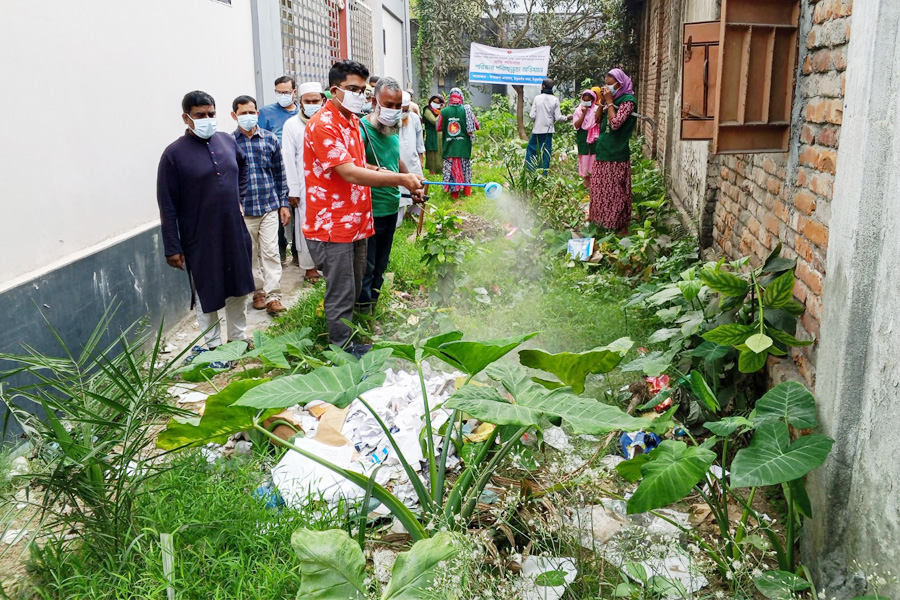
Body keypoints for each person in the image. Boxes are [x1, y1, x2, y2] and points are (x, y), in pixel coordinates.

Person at [303, 60, 424, 351]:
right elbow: (348, 173)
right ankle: (341, 351)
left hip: (358, 221)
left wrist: (392, 175)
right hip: (333, 226)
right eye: (353, 89)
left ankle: (354, 339)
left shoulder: (351, 123)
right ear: (335, 90)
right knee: (342, 292)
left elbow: (360, 165)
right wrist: (399, 179)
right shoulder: (324, 124)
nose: (360, 94)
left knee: (357, 287)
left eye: (363, 89)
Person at [157, 91, 254, 349]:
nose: (207, 119)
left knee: (238, 287)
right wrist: (172, 247)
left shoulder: (226, 141)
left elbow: (242, 167)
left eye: (211, 114)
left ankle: (238, 339)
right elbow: (167, 205)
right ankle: (213, 347)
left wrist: (239, 198)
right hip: (199, 237)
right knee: (206, 291)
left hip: (234, 230)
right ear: (186, 118)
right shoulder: (173, 155)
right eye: (200, 115)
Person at [357, 78, 420, 315]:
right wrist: (396, 177)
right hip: (369, 210)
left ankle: (373, 307)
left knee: (381, 265)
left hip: (390, 207)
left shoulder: (391, 129)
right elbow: (355, 166)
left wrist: (412, 182)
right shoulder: (361, 130)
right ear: (375, 102)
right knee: (367, 266)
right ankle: (362, 316)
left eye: (397, 106)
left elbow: (396, 159)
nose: (393, 111)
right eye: (388, 104)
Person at [231, 95, 291, 315]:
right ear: (234, 115)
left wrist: (283, 203)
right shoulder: (229, 143)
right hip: (243, 210)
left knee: (271, 252)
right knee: (250, 253)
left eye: (251, 112)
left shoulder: (269, 139)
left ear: (258, 113)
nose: (248, 116)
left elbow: (279, 173)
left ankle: (274, 296)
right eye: (243, 113)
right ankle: (258, 292)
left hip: (268, 206)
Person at [282, 81, 326, 283]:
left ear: (322, 100)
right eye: (307, 101)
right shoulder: (291, 125)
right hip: (304, 185)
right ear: (300, 102)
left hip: (328, 184)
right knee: (306, 225)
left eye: (315, 100)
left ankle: (327, 265)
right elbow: (288, 159)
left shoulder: (328, 122)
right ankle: (309, 267)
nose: (311, 104)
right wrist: (293, 190)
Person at [590, 68, 638, 236]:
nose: (608, 87)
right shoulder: (613, 99)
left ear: (621, 83)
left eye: (611, 84)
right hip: (603, 151)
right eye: (606, 84)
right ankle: (603, 224)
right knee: (599, 190)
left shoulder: (628, 101)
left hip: (616, 154)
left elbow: (616, 123)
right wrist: (603, 101)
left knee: (616, 192)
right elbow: (596, 120)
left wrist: (610, 101)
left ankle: (619, 227)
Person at [259, 76, 301, 264]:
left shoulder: (302, 113)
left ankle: (299, 251)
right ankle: (281, 247)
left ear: (294, 92)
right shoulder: (266, 113)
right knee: (277, 211)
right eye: (279, 92)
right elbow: (261, 139)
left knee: (298, 210)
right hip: (276, 171)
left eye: (286, 92)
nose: (282, 95)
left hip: (298, 170)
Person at [438, 88, 479, 199]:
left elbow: (438, 127)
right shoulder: (467, 110)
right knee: (465, 170)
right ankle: (467, 193)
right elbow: (477, 126)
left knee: (452, 171)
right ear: (461, 97)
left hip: (449, 147)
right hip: (463, 148)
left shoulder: (444, 111)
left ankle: (454, 195)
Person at [526, 78, 571, 172]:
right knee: (545, 153)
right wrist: (567, 118)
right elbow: (558, 117)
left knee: (531, 151)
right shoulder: (555, 100)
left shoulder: (537, 98)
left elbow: (532, 116)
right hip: (548, 131)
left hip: (537, 130)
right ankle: (543, 173)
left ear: (543, 86)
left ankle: (529, 171)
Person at [397, 91, 426, 226]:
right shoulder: (391, 119)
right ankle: (399, 220)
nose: (404, 112)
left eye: (406, 109)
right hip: (397, 161)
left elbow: (419, 141)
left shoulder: (414, 118)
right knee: (399, 191)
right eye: (401, 109)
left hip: (413, 160)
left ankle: (412, 213)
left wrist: (421, 158)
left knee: (417, 187)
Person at [573, 88, 601, 190]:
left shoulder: (596, 110)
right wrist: (583, 113)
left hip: (595, 140)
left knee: (594, 162)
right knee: (584, 162)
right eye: (585, 99)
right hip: (583, 139)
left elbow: (599, 122)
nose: (587, 101)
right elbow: (576, 125)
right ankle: (585, 186)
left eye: (589, 99)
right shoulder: (578, 110)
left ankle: (594, 188)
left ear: (593, 100)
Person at [422, 95, 444, 174]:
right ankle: (432, 171)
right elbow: (435, 121)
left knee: (440, 152)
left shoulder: (440, 111)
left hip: (440, 135)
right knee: (432, 153)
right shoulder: (427, 110)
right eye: (434, 102)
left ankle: (440, 170)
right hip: (431, 134)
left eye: (438, 103)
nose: (435, 104)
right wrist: (442, 112)